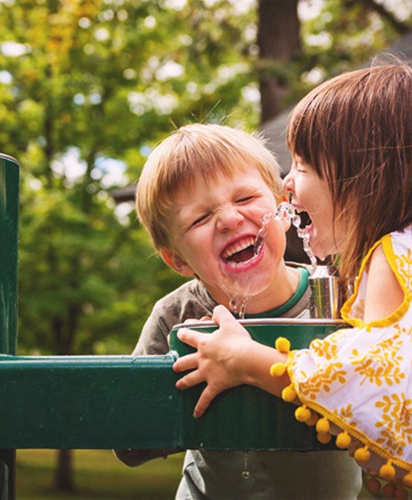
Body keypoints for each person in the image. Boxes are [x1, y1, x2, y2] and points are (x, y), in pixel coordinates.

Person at [172, 62, 412, 499]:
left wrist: (247, 360)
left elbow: (377, 382)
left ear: (362, 178)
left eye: (302, 166)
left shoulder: (402, 253)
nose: (286, 184)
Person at [114, 123, 363, 499]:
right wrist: (180, 380)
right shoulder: (178, 318)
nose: (229, 219)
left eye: (245, 198)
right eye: (199, 219)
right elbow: (129, 444)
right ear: (178, 259)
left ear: (283, 207)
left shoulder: (342, 295)